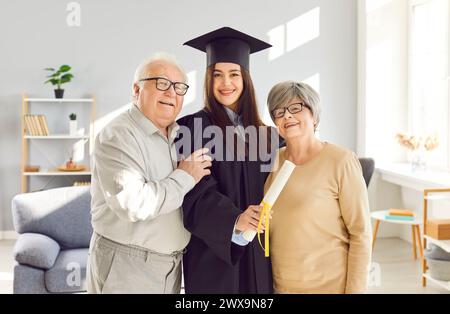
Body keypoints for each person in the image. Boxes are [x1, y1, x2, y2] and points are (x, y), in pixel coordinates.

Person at [86, 53, 211, 293]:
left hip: (171, 267)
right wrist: (185, 176)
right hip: (128, 266)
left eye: (179, 87)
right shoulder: (119, 135)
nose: (171, 93)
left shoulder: (177, 134)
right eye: (162, 83)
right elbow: (134, 203)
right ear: (136, 89)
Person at [176, 27, 279, 293]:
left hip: (259, 251)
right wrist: (235, 220)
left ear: (245, 79)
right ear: (208, 80)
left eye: (234, 74)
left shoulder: (267, 135)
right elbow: (194, 190)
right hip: (213, 255)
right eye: (217, 75)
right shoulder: (192, 128)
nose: (226, 83)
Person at [265, 81, 372, 293]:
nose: (287, 116)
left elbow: (361, 234)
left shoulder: (341, 161)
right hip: (280, 287)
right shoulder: (272, 162)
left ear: (314, 115)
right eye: (279, 111)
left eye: (296, 108)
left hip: (329, 287)